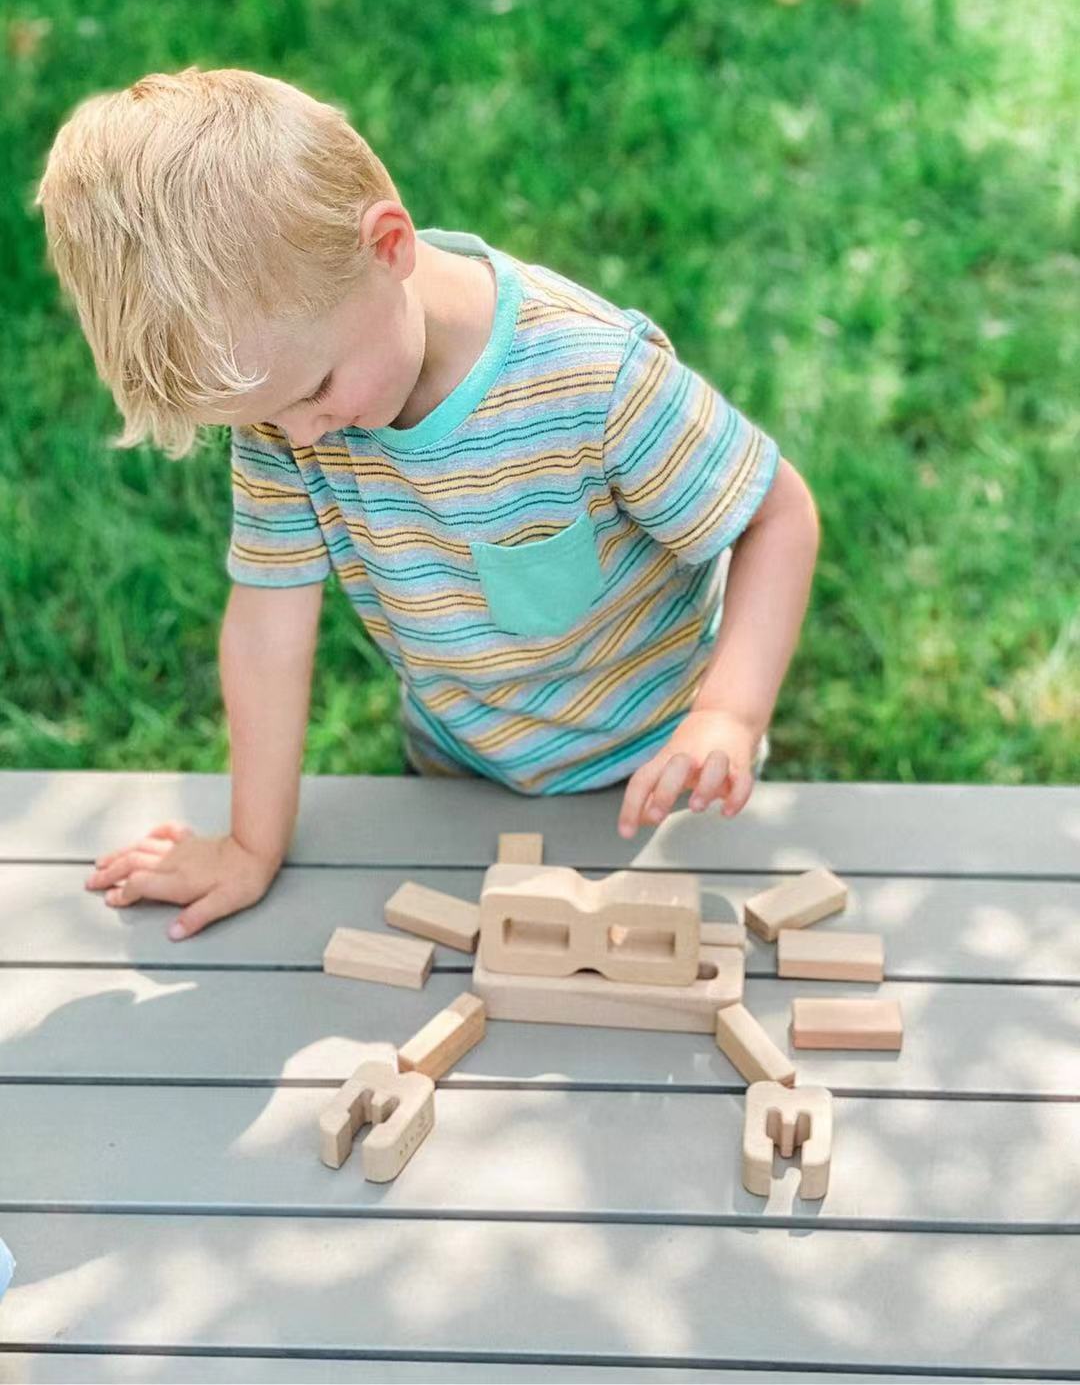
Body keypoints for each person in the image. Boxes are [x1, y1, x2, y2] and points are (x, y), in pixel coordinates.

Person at [36, 66, 819, 941]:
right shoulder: (291, 399)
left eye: (316, 392)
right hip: (457, 769)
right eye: (266, 419)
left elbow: (775, 516)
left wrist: (729, 714)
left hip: (660, 770)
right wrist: (252, 844)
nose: (301, 439)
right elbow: (268, 622)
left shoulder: (590, 379)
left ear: (389, 247)